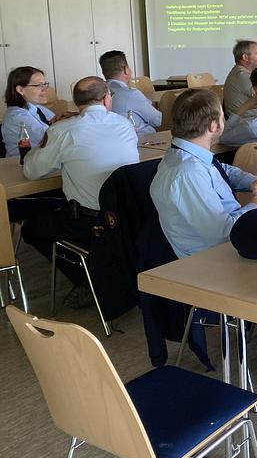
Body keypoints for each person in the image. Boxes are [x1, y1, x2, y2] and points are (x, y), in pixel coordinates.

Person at [21, 77, 140, 304]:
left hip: (89, 221)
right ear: (106, 99)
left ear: (76, 102)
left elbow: (31, 171)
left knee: (31, 229)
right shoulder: (124, 124)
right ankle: (100, 266)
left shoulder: (63, 130)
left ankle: (87, 278)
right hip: (126, 217)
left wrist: (51, 132)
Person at [150, 88, 257, 259]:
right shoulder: (188, 173)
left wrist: (252, 181)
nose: (224, 120)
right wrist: (254, 208)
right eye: (222, 116)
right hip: (216, 258)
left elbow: (221, 171)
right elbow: (221, 234)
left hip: (232, 241)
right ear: (212, 126)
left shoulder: (189, 155)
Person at [98, 50, 162, 135]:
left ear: (103, 72)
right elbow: (157, 120)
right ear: (126, 70)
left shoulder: (97, 92)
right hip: (141, 139)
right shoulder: (131, 94)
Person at [2, 66, 55, 157]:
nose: (45, 89)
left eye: (45, 84)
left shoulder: (36, 107)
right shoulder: (16, 117)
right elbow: (53, 139)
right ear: (20, 90)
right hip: (21, 163)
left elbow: (57, 123)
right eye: (39, 85)